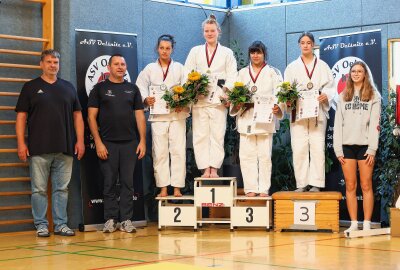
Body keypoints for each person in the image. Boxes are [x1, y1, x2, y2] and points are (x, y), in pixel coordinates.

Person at [15, 49, 85, 237]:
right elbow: (21, 117)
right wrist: (21, 143)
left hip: (65, 148)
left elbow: (78, 116)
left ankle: (61, 224)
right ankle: (41, 225)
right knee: (38, 190)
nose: (53, 65)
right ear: (41, 64)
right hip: (38, 148)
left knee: (61, 189)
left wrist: (80, 141)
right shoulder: (30, 87)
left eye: (55, 62)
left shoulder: (68, 87)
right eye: (49, 62)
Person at [87, 54, 146, 233]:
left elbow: (139, 116)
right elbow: (91, 117)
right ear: (109, 68)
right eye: (116, 64)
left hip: (130, 144)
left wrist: (142, 140)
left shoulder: (133, 89)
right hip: (108, 144)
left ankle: (126, 220)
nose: (120, 67)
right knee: (109, 182)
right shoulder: (99, 89)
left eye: (123, 64)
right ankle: (111, 220)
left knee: (128, 183)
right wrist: (98, 142)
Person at [185, 14, 237, 178]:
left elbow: (232, 75)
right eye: (206, 31)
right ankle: (204, 168)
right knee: (200, 135)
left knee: (217, 134)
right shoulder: (195, 51)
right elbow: (187, 73)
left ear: (218, 31)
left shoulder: (227, 52)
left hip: (217, 101)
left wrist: (226, 94)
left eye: (212, 30)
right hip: (200, 100)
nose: (209, 33)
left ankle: (214, 168)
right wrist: (194, 89)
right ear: (203, 33)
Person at [136, 35, 188, 197]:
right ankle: (163, 187)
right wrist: (146, 99)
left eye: (168, 48)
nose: (164, 51)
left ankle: (178, 187)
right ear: (157, 49)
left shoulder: (180, 68)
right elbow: (140, 86)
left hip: (176, 116)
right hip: (158, 116)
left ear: (172, 49)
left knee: (178, 150)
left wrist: (183, 102)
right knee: (160, 152)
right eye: (162, 48)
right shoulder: (150, 69)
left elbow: (188, 88)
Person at [230, 41, 283, 197]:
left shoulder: (273, 72)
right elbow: (234, 94)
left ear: (264, 53)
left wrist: (278, 107)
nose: (255, 55)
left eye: (258, 52)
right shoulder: (241, 73)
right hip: (246, 118)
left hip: (265, 119)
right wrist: (237, 103)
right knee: (246, 156)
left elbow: (280, 93)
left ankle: (263, 189)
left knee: (264, 156)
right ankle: (251, 188)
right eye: (253, 52)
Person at [284, 31, 335, 192]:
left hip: (317, 113)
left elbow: (331, 87)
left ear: (313, 45)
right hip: (298, 112)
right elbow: (285, 89)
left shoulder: (323, 66)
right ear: (299, 45)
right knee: (299, 148)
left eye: (308, 42)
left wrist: (326, 95)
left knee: (317, 147)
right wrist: (288, 99)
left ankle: (316, 184)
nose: (305, 45)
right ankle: (301, 183)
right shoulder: (292, 67)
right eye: (303, 43)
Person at [333, 61, 381, 233]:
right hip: (346, 146)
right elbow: (338, 124)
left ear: (365, 74)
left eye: (360, 71)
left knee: (366, 185)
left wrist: (372, 149)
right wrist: (338, 149)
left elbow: (376, 124)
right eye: (353, 71)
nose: (356, 74)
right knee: (350, 186)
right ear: (350, 74)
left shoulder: (373, 95)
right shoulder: (343, 95)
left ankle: (367, 222)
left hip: (365, 147)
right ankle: (354, 223)